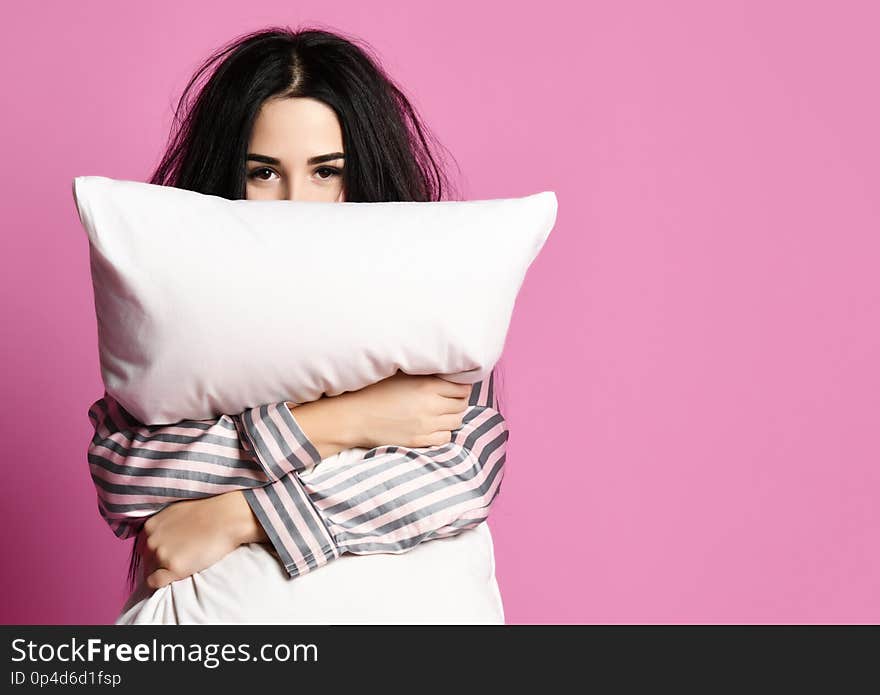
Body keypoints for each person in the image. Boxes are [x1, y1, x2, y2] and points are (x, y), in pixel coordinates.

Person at [86, 25, 510, 624]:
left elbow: (459, 479)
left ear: (361, 173)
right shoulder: (185, 300)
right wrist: (343, 421)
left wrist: (239, 515)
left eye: (325, 171)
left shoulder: (427, 295)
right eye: (263, 172)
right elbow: (128, 473)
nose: (294, 204)